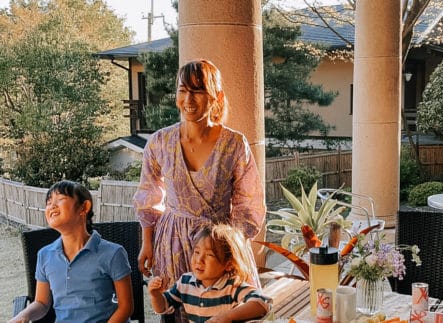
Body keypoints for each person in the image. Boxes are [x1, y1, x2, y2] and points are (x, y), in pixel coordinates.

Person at [133, 59, 266, 321]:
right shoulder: (160, 141)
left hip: (218, 248)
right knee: (175, 310)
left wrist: (231, 252)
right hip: (172, 242)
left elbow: (248, 205)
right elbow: (149, 195)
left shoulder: (234, 144)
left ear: (216, 97)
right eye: (183, 90)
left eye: (198, 91)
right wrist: (147, 243)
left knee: (223, 310)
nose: (188, 99)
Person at [10, 180, 133, 323]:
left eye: (60, 199)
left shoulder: (113, 253)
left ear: (84, 207)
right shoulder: (45, 255)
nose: (52, 206)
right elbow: (41, 303)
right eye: (49, 202)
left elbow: (126, 307)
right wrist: (23, 316)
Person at [147, 224, 270, 323]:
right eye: (196, 252)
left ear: (228, 264)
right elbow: (163, 307)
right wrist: (155, 295)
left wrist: (226, 317)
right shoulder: (185, 282)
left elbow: (262, 303)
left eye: (209, 255)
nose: (199, 260)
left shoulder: (233, 286)